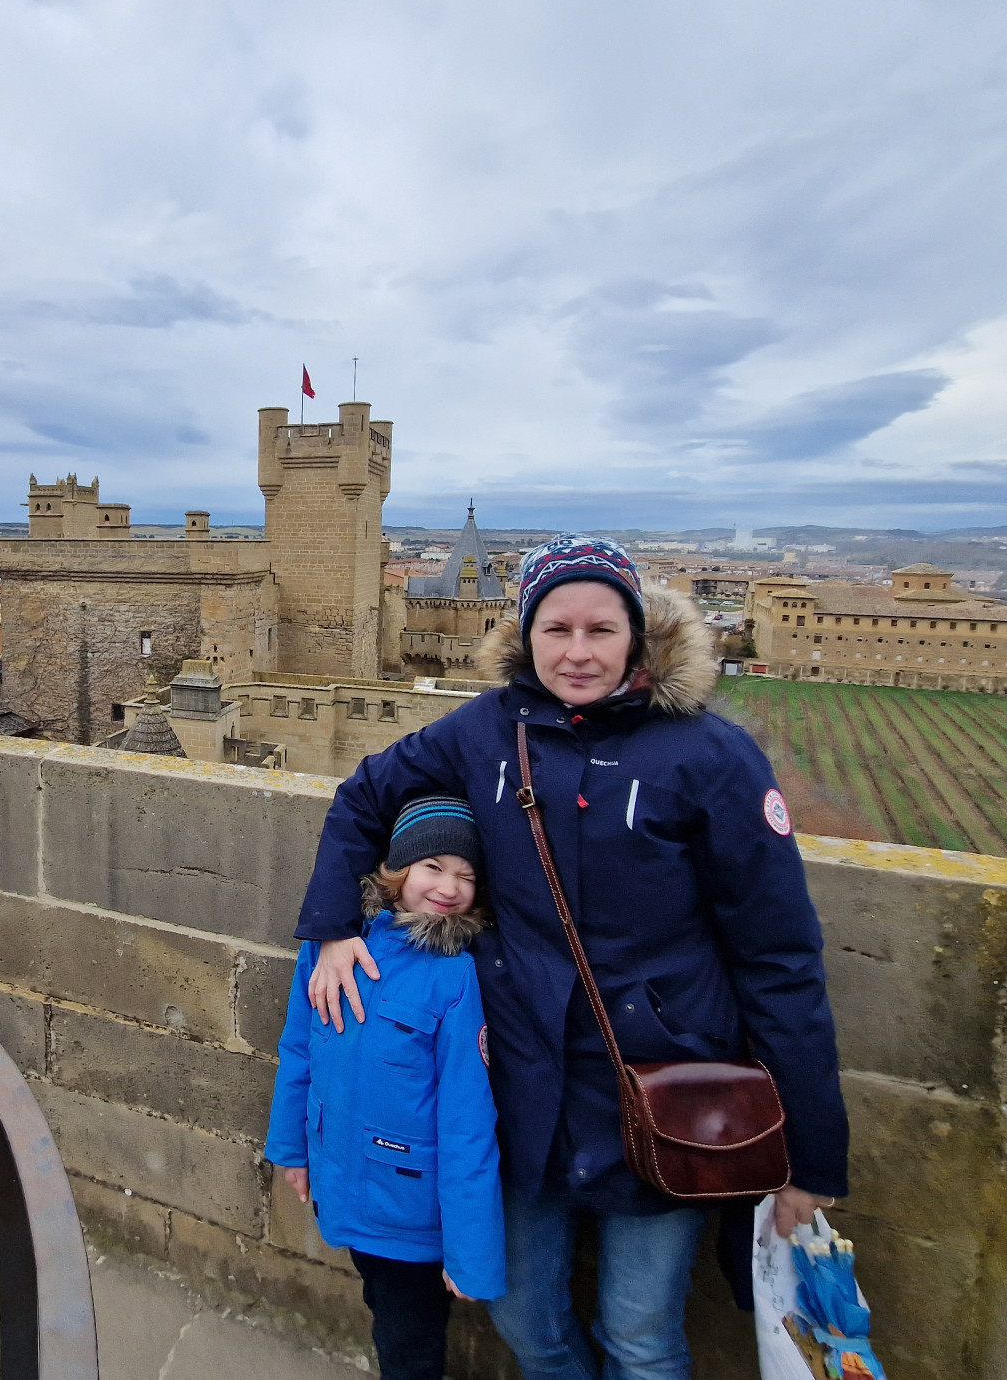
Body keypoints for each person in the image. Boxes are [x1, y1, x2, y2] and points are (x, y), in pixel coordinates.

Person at [297, 535, 848, 1380]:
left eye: (601, 629)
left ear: (638, 633)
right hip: (524, 1090)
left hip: (662, 1091)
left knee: (641, 1335)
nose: (578, 652)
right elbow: (365, 794)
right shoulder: (488, 730)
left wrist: (809, 1153)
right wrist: (334, 924)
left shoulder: (707, 755)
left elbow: (779, 958)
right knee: (526, 1319)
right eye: (557, 629)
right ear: (527, 635)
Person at [265, 795, 507, 1380]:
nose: (449, 887)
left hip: (411, 1211)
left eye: (466, 876)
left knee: (409, 1346)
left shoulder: (454, 976)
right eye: (433, 867)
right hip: (344, 1183)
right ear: (396, 872)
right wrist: (292, 1150)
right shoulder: (330, 948)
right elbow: (300, 1051)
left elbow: (467, 1120)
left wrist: (471, 1252)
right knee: (382, 1307)